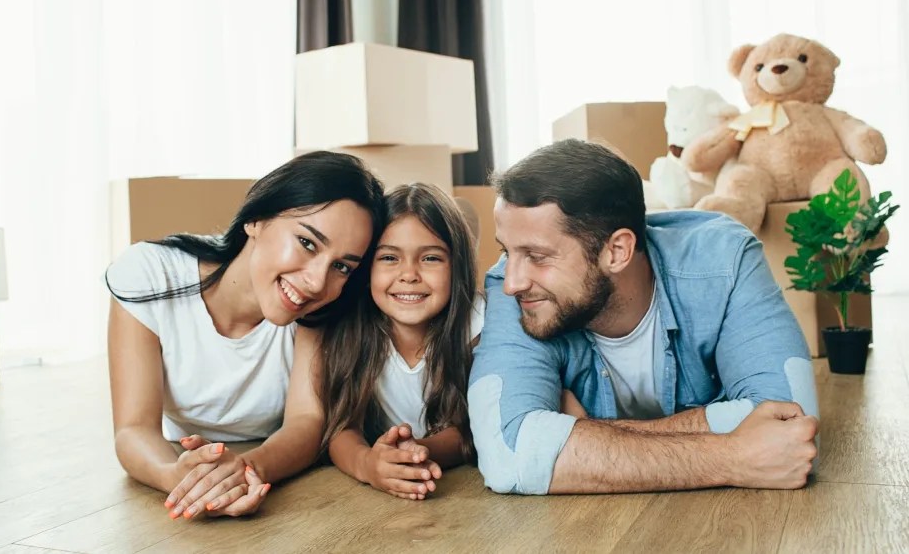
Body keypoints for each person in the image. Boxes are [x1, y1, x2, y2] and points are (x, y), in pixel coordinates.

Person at [469, 139, 820, 495]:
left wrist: (581, 432)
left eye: (537, 256)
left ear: (617, 251)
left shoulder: (723, 262)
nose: (512, 283)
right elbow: (507, 455)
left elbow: (792, 427)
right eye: (507, 251)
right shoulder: (518, 292)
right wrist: (733, 456)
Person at [105, 151, 385, 518]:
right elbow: (133, 429)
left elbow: (307, 422)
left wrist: (246, 470)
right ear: (256, 219)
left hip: (268, 458)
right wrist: (174, 476)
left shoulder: (321, 310)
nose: (318, 282)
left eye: (342, 266)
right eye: (307, 243)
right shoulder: (150, 274)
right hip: (179, 454)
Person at [321, 183, 481, 500]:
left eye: (431, 258)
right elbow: (341, 428)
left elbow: (472, 428)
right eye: (389, 257)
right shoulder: (351, 329)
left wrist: (416, 452)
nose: (409, 275)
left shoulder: (478, 326)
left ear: (458, 266)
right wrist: (368, 464)